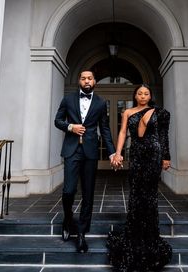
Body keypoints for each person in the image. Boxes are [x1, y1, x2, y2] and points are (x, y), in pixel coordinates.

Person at [108, 84, 172, 271]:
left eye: (146, 93)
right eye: (139, 93)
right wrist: (118, 153)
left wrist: (166, 157)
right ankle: (134, 236)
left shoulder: (159, 112)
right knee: (136, 193)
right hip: (136, 154)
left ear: (150, 96)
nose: (143, 96)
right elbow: (122, 133)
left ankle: (150, 237)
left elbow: (163, 136)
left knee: (150, 195)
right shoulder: (127, 112)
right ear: (135, 95)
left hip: (153, 154)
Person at [55, 70, 116, 253]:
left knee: (88, 194)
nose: (86, 81)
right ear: (79, 81)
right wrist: (71, 127)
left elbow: (104, 129)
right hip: (71, 150)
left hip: (90, 152)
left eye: (90, 78)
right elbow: (58, 121)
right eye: (83, 78)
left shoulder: (100, 102)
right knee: (68, 190)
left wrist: (112, 152)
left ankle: (82, 233)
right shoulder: (68, 100)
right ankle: (67, 219)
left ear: (95, 81)